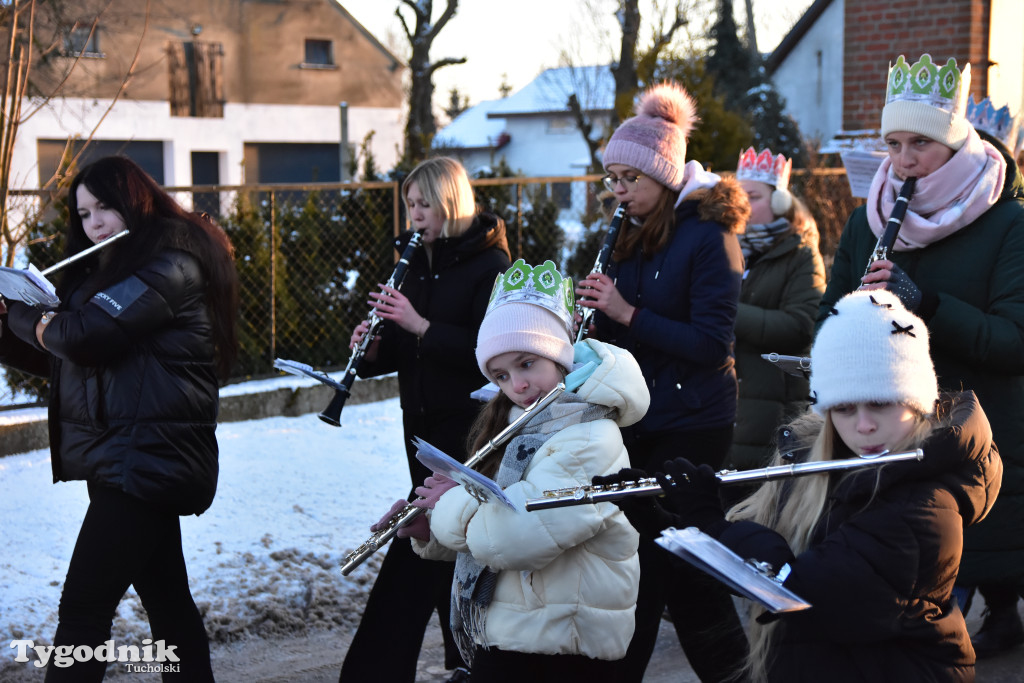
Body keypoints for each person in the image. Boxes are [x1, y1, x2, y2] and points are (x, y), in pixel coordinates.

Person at [616, 289, 1002, 682]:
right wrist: (673, 527)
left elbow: (800, 594)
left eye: (881, 404)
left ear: (916, 402)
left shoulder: (921, 505)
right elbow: (763, 568)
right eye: (845, 408)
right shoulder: (838, 469)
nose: (863, 425)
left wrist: (709, 521)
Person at [0, 155, 239, 681]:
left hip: (146, 460)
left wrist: (31, 317)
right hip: (128, 458)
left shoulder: (171, 262)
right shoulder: (118, 271)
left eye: (105, 207)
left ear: (138, 198)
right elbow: (68, 352)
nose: (95, 225)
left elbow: (84, 336)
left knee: (83, 609)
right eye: (84, 215)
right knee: (168, 604)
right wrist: (7, 324)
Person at [818, 54, 1024, 658]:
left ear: (956, 147)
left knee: (942, 599)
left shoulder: (1008, 222)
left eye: (920, 146)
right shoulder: (868, 218)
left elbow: (1013, 342)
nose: (902, 162)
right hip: (886, 424)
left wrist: (925, 302)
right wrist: (849, 317)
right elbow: (827, 311)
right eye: (892, 144)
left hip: (971, 430)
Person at [575, 81, 750, 681]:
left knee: (679, 565)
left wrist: (626, 313)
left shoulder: (710, 236)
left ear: (667, 176)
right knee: (648, 564)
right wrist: (592, 323)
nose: (619, 193)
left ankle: (732, 673)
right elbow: (623, 337)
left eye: (631, 180)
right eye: (612, 180)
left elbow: (710, 344)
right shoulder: (628, 232)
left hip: (696, 420)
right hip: (640, 416)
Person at [401, 259, 648, 682]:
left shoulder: (590, 436)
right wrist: (429, 530)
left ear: (559, 352)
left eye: (527, 363)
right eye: (501, 374)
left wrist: (449, 505)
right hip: (525, 633)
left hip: (565, 648)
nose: (516, 384)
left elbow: (517, 537)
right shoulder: (520, 424)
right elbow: (493, 520)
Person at [339, 156, 511, 683]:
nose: (413, 215)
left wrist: (418, 323)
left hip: (468, 427)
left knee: (422, 544)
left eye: (423, 205)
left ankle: (374, 670)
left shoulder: (492, 266)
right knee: (443, 553)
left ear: (450, 203)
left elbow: (492, 351)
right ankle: (468, 664)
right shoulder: (414, 260)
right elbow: (406, 349)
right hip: (418, 424)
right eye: (409, 204)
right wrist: (370, 351)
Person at [726, 147, 825, 493]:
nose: (744, 206)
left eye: (753, 197)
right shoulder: (727, 248)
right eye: (740, 197)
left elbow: (801, 325)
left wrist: (726, 310)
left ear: (782, 201)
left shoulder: (801, 254)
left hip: (773, 413)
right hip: (731, 405)